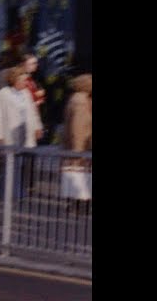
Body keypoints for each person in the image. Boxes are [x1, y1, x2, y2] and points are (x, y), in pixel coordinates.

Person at [0, 67, 42, 201]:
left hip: (24, 131)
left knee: (19, 163)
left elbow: (32, 112)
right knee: (10, 163)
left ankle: (17, 191)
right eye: (23, 80)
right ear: (15, 80)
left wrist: (38, 127)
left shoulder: (26, 93)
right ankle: (7, 193)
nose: (26, 83)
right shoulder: (1, 95)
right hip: (10, 132)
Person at [60, 72, 92, 212]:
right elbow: (77, 127)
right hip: (80, 146)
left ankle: (76, 203)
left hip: (76, 145)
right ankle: (79, 205)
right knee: (79, 174)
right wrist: (78, 149)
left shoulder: (77, 99)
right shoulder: (80, 102)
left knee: (76, 174)